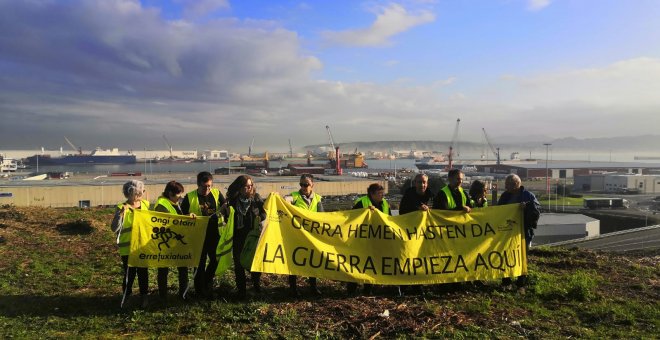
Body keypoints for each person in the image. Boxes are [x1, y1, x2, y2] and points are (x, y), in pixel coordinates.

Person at [181, 171, 226, 299]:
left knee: (216, 260)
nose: (207, 189)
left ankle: (206, 281)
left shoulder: (216, 193)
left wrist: (225, 208)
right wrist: (187, 216)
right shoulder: (190, 197)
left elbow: (225, 206)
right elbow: (180, 217)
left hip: (214, 234)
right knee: (199, 264)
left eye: (209, 186)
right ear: (198, 185)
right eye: (204, 186)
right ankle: (200, 290)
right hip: (197, 237)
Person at [110, 180, 150, 308]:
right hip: (127, 248)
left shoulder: (145, 204)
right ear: (135, 193)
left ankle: (144, 297)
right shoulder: (122, 207)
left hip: (142, 246)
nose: (143, 192)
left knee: (143, 273)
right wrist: (120, 215)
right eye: (141, 191)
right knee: (129, 274)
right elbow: (114, 228)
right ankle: (126, 297)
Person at [226, 175, 266, 299]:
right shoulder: (232, 201)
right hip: (238, 237)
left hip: (253, 236)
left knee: (254, 262)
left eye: (251, 186)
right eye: (246, 186)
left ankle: (256, 285)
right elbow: (227, 216)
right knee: (239, 265)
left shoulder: (256, 198)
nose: (249, 188)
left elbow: (264, 212)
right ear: (240, 187)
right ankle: (241, 290)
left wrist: (261, 218)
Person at [347, 183, 391, 296]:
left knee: (371, 265)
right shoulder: (362, 202)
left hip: (377, 240)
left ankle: (368, 288)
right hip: (362, 240)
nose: (382, 196)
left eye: (383, 193)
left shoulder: (385, 204)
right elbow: (351, 217)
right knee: (356, 265)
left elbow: (390, 220)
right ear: (372, 194)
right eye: (379, 194)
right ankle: (351, 289)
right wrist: (365, 211)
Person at [497, 174, 541, 287]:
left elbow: (536, 213)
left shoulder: (528, 196)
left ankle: (521, 283)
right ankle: (506, 282)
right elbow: (498, 211)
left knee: (522, 257)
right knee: (506, 256)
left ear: (516, 184)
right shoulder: (505, 196)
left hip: (523, 232)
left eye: (508, 184)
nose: (506, 187)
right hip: (507, 232)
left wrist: (527, 208)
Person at [286, 174, 323, 297]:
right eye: (301, 184)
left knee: (312, 261)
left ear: (312, 184)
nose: (303, 187)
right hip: (296, 235)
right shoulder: (295, 197)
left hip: (311, 236)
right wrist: (280, 198)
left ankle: (313, 287)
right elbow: (287, 200)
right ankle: (293, 288)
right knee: (294, 261)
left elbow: (323, 216)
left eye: (306, 184)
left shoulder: (318, 199)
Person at [153, 180, 190, 300]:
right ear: (170, 193)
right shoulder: (162, 204)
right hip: (167, 241)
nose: (180, 197)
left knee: (182, 268)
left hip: (176, 241)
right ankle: (164, 296)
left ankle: (182, 293)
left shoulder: (173, 202)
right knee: (164, 269)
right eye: (178, 194)